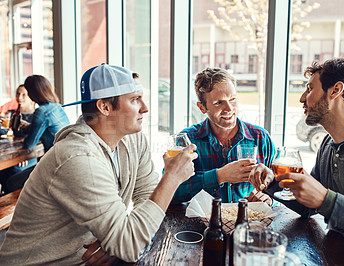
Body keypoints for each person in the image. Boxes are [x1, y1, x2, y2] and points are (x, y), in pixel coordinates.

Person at [0, 63, 197, 265]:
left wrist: (117, 239)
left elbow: (147, 193)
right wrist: (171, 178)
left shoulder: (132, 139)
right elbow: (129, 245)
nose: (145, 108)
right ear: (104, 107)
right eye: (134, 99)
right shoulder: (77, 158)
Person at [249, 58, 344, 264]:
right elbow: (310, 207)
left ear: (336, 90)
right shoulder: (328, 145)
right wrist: (272, 182)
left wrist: (327, 200)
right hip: (334, 254)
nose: (302, 98)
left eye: (310, 89)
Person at [173, 67, 275, 203]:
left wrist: (269, 198)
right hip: (201, 223)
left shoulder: (261, 138)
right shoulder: (187, 140)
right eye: (218, 102)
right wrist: (220, 175)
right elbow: (171, 193)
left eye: (232, 99)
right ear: (202, 107)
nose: (229, 108)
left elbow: (282, 190)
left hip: (250, 222)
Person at [0, 77, 70, 194]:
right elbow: (46, 131)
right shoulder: (56, 106)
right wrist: (28, 126)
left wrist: (28, 131)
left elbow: (29, 144)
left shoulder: (41, 111)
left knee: (10, 183)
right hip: (65, 161)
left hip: (54, 166)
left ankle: (18, 209)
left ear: (32, 92)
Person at [0, 85, 36, 194]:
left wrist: (24, 154)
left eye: (24, 94)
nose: (20, 97)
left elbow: (37, 140)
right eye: (18, 94)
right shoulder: (12, 113)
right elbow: (4, 132)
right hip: (13, 153)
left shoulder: (37, 115)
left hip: (30, 154)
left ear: (32, 97)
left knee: (14, 171)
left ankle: (10, 200)